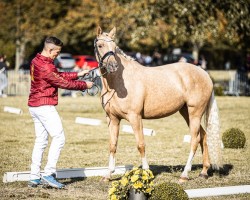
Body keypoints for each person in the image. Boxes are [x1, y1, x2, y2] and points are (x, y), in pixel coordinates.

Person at [27, 36, 93, 189]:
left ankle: (34, 177)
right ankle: (49, 174)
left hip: (34, 106)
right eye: (57, 52)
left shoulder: (37, 60)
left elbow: (57, 76)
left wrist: (78, 74)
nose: (57, 54)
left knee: (41, 141)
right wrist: (85, 85)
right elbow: (63, 83)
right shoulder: (46, 66)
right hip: (44, 106)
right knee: (59, 137)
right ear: (50, 49)